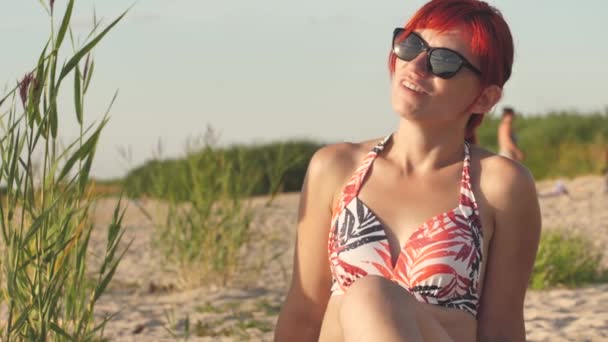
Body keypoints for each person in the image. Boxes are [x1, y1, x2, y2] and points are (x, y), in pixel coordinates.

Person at [274, 0, 541, 341]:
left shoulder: (498, 184)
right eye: (411, 45)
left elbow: (502, 327)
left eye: (443, 61)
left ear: (485, 98)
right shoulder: (336, 168)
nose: (415, 65)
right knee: (366, 296)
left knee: (370, 295)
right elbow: (304, 310)